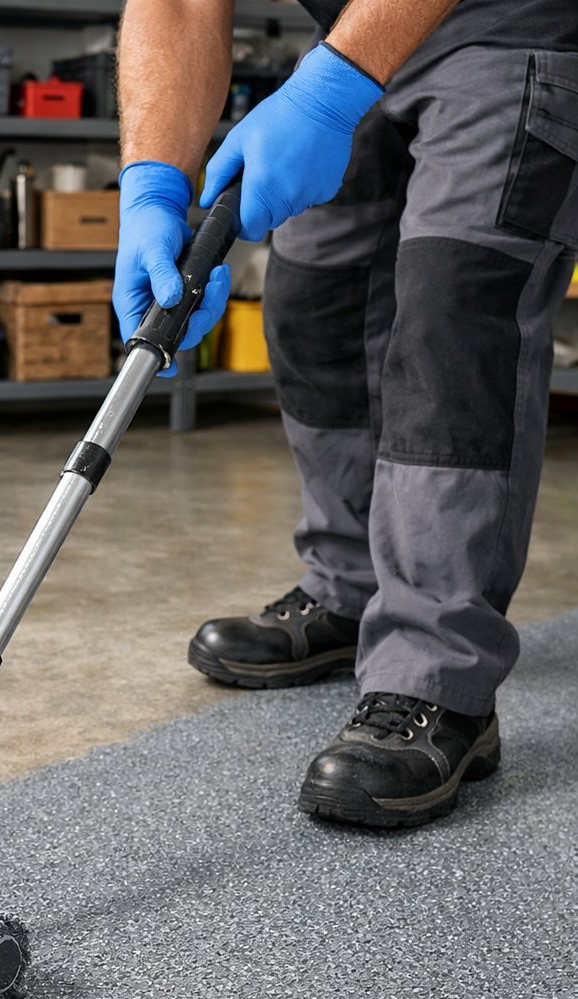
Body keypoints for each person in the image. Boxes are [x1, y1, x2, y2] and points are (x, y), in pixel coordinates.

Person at [114, 0, 578, 828]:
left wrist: (329, 89)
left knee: (453, 312)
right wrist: (152, 185)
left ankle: (436, 675)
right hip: (359, 33)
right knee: (312, 299)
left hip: (514, 25)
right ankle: (351, 588)